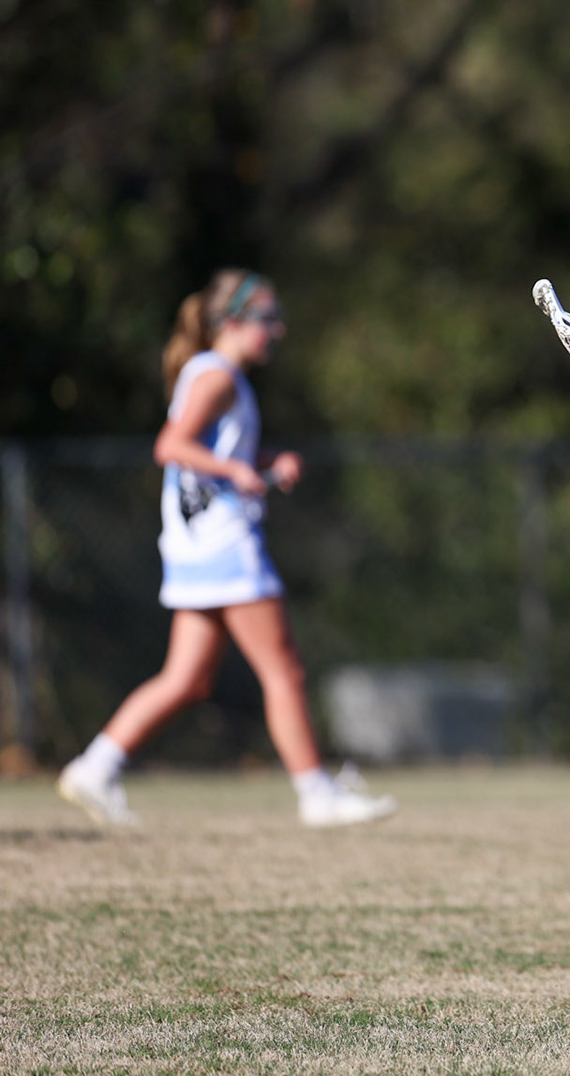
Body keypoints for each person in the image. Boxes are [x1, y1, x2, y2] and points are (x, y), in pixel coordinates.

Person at [56, 269, 396, 829]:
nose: (277, 331)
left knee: (186, 679)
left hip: (193, 548)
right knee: (283, 669)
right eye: (268, 319)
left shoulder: (209, 373)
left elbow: (209, 453)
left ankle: (96, 767)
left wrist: (261, 461)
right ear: (232, 322)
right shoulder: (218, 377)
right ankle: (317, 794)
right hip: (225, 544)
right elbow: (172, 446)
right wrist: (237, 470)